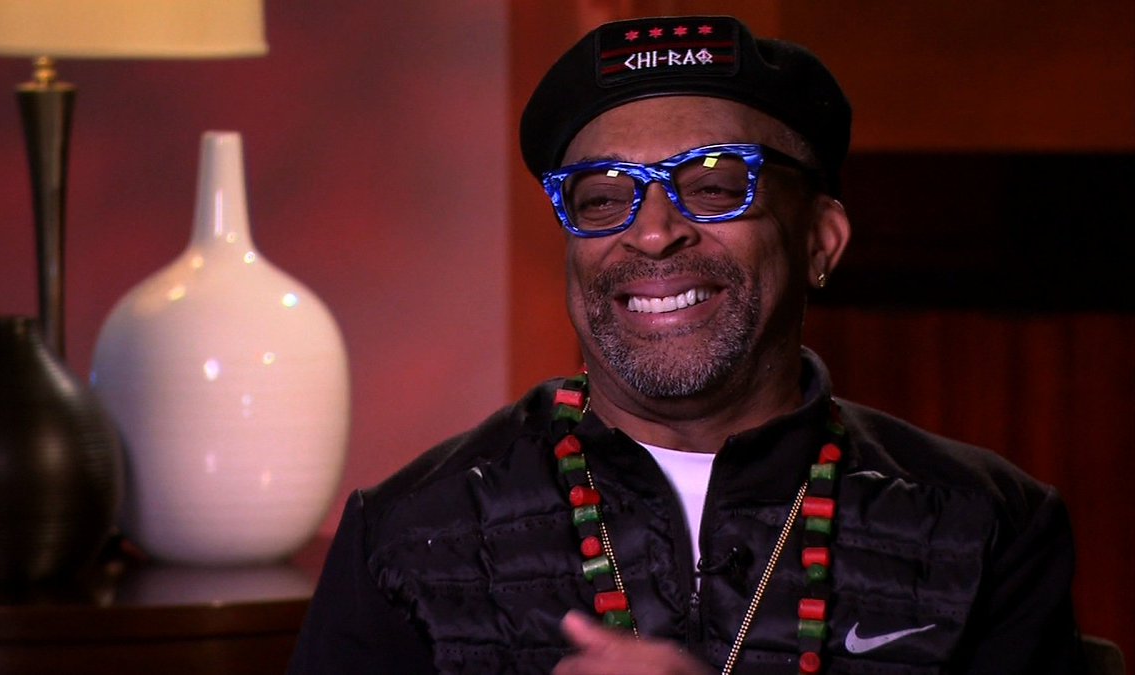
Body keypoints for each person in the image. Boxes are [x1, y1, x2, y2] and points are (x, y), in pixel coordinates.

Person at [288, 15, 1081, 674]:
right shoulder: (410, 533)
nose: (654, 232)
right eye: (603, 198)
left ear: (820, 240)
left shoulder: (985, 527)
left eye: (713, 185)